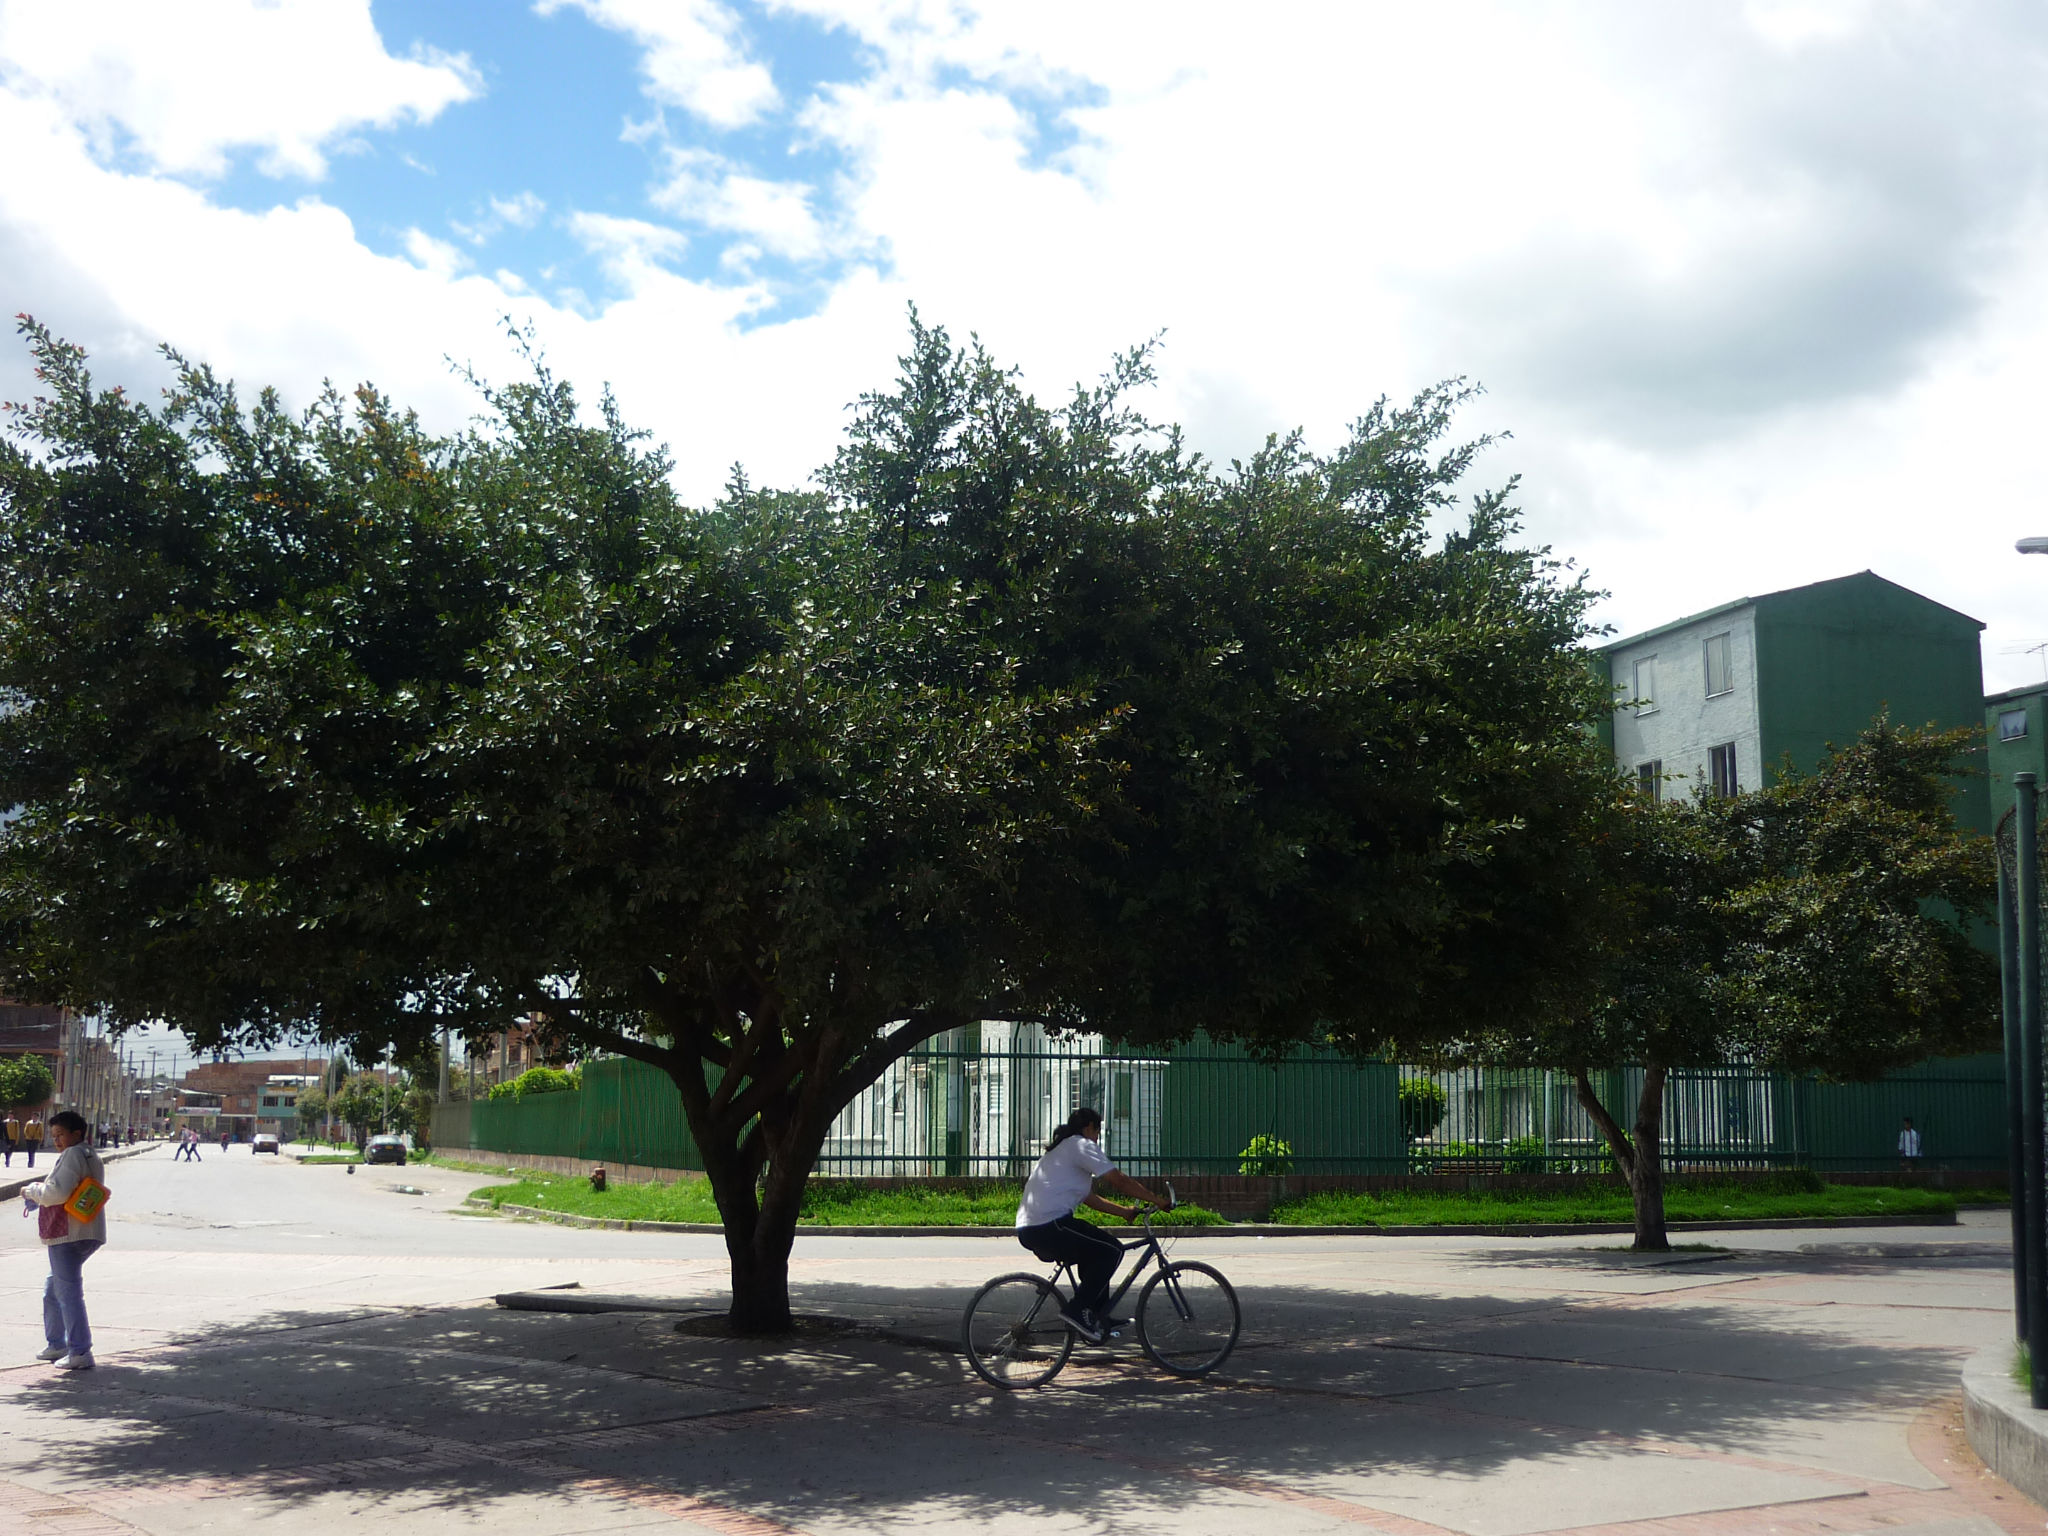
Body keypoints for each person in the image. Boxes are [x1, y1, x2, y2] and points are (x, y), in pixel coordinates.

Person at [1014, 1107, 1173, 1342]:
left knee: (1099, 1249)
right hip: (1049, 1225)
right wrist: (1159, 1200)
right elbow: (1118, 1179)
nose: (1097, 1138)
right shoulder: (1080, 1145)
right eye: (1097, 1132)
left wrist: (1124, 1212)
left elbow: (1089, 1197)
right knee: (1112, 1250)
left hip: (1035, 1226)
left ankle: (1098, 1316)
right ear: (1089, 1127)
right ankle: (1078, 1310)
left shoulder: (1063, 1150)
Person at [21, 1110, 107, 1370]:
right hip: (88, 1231)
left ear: (76, 1134)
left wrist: (31, 1190)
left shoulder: (72, 1155)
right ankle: (57, 1342)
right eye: (54, 1135)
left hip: (68, 1234)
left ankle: (80, 1350)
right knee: (53, 1290)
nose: (56, 1140)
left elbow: (56, 1193)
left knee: (68, 1292)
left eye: (60, 1135)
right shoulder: (91, 1154)